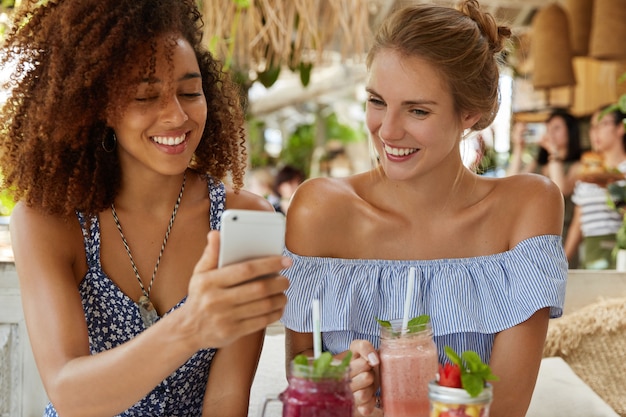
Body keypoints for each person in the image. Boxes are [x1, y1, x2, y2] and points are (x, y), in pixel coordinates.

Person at [0, 1, 291, 416]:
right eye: (144, 95)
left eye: (191, 92)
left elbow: (226, 402)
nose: (176, 115)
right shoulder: (49, 222)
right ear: (96, 106)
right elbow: (69, 394)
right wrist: (191, 324)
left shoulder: (242, 221)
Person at [280, 2, 567, 417]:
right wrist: (342, 384)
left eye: (417, 110)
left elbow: (503, 408)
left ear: (470, 113)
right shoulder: (319, 210)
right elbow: (302, 377)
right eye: (377, 101)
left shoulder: (527, 207)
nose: (388, 130)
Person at [507, 110, 583, 268]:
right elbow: (509, 184)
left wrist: (553, 153)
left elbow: (560, 190)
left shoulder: (577, 165)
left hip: (563, 236)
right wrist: (518, 148)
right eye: (547, 128)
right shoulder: (538, 164)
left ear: (570, 132)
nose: (550, 132)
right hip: (533, 236)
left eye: (556, 128)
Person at [564, 105, 626, 269]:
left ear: (621, 128)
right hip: (592, 254)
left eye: (602, 124)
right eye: (592, 127)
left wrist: (611, 187)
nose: (595, 132)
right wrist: (562, 262)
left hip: (620, 252)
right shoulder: (587, 171)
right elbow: (578, 223)